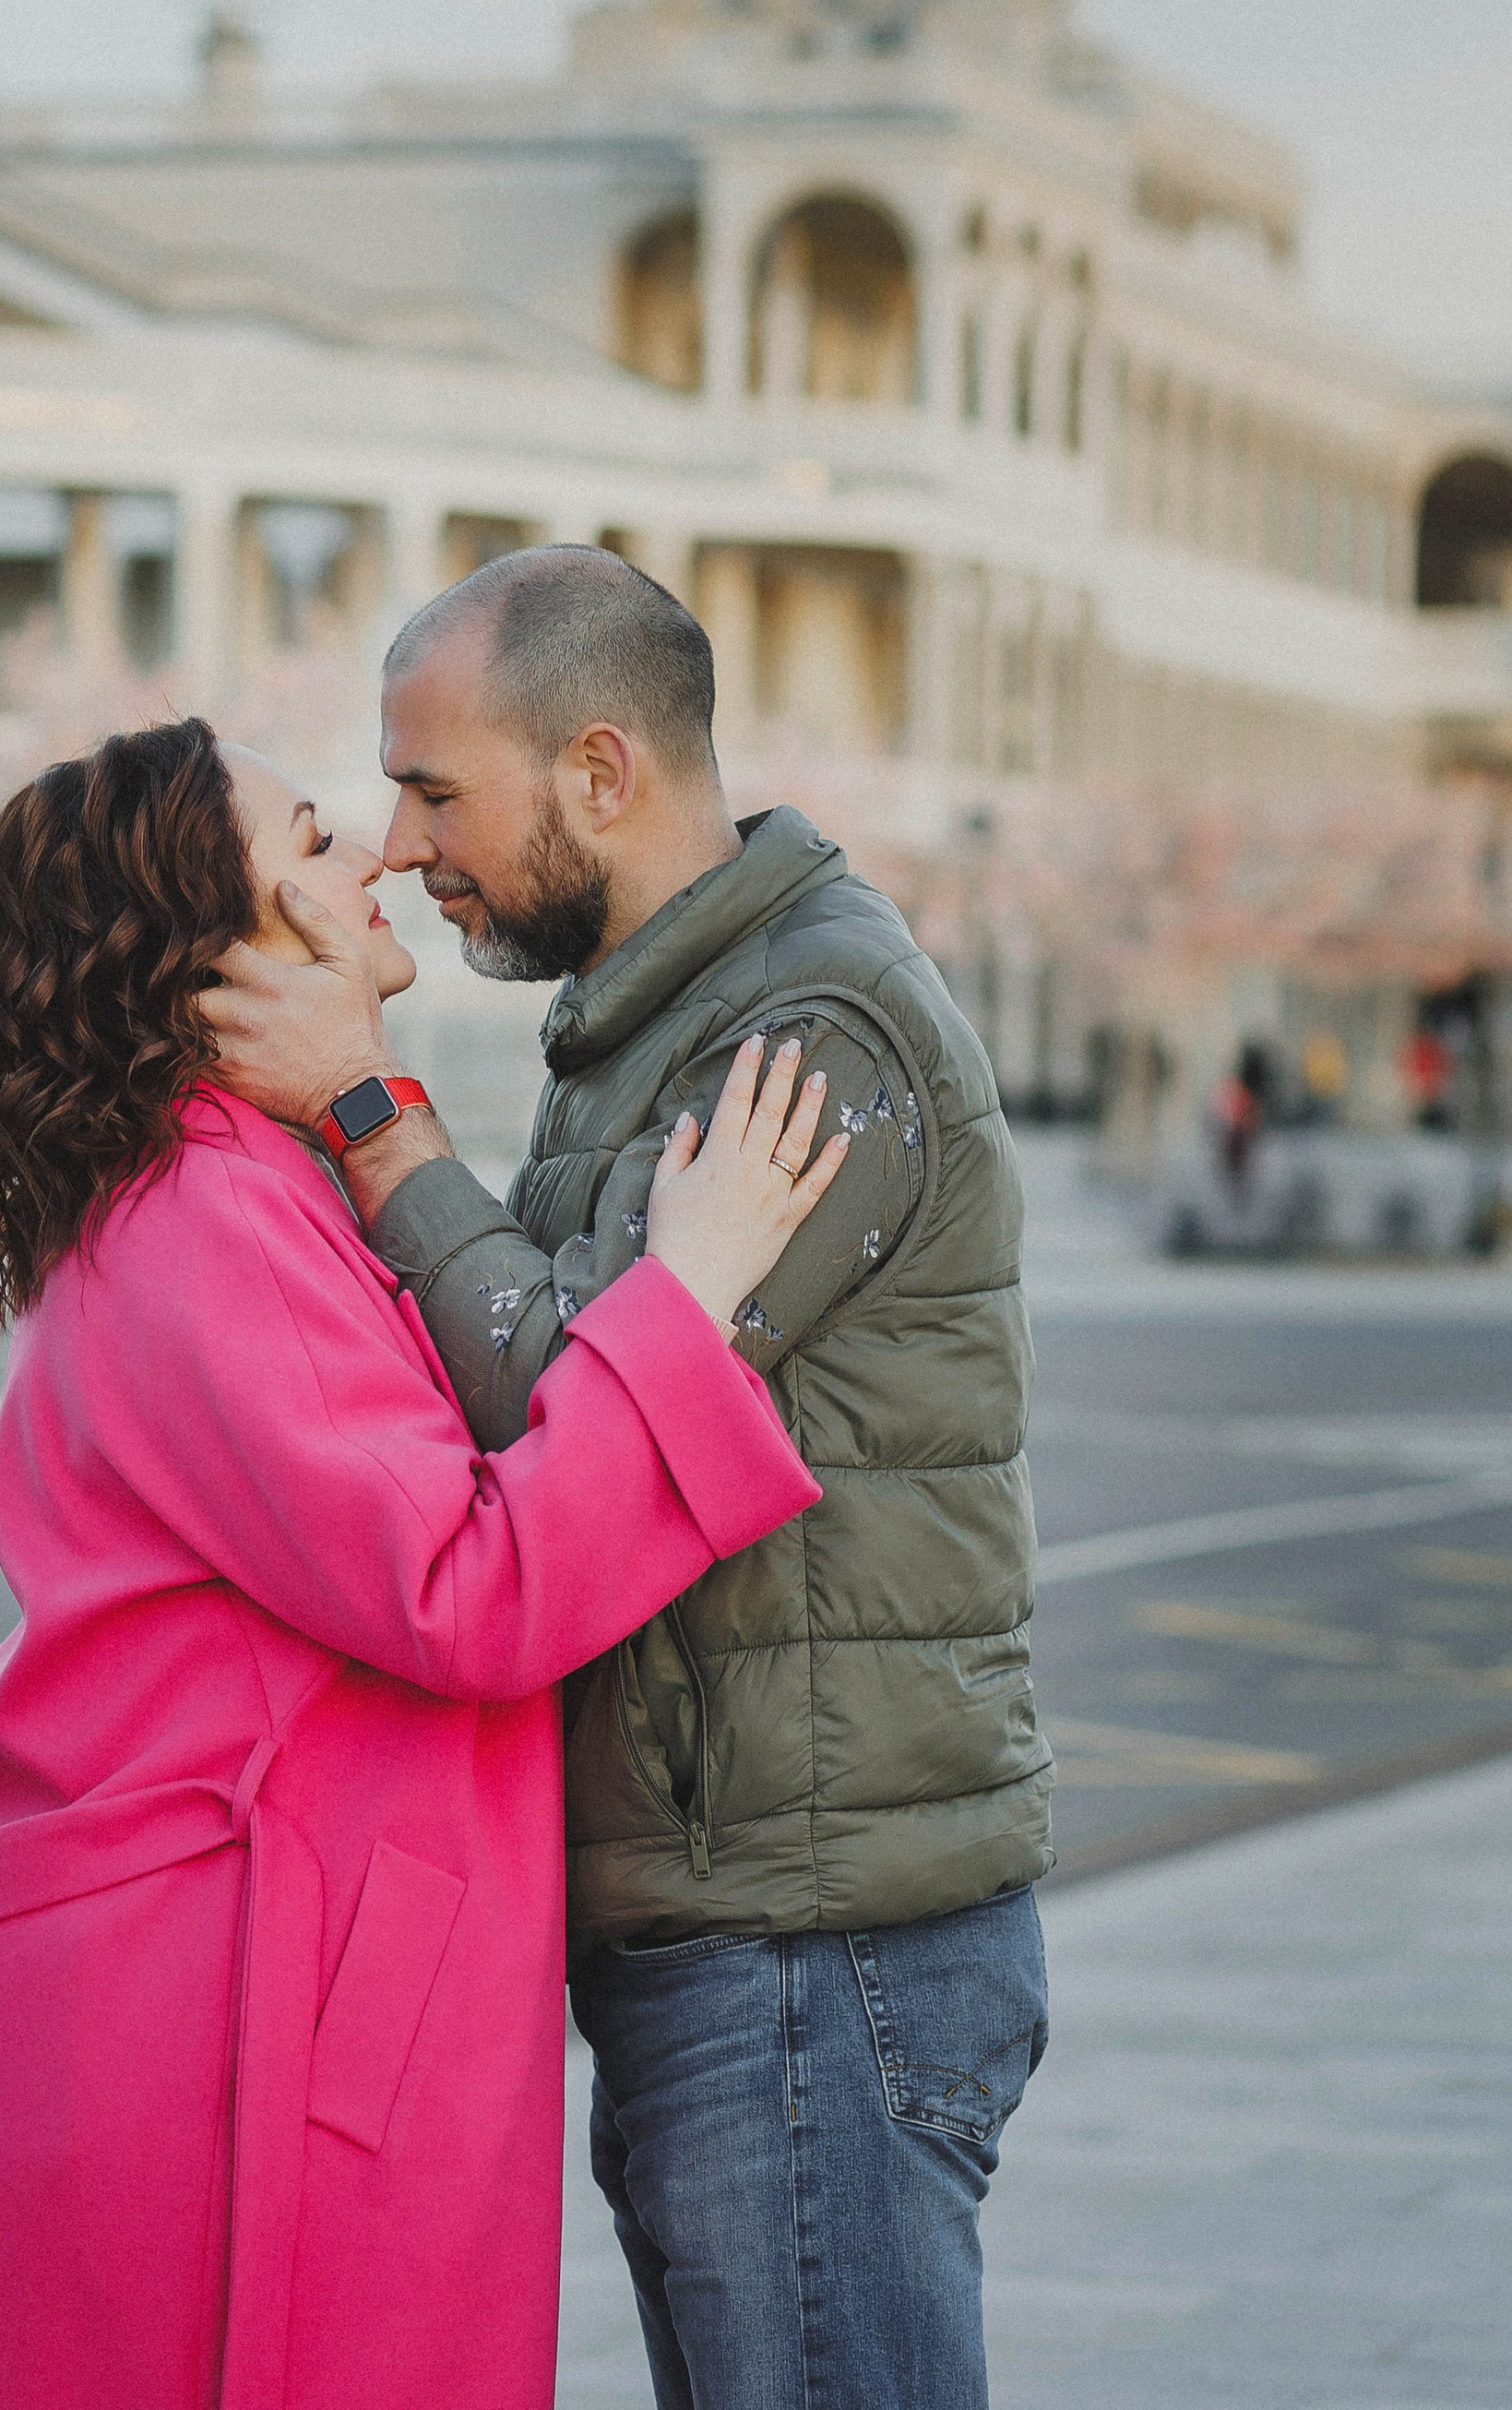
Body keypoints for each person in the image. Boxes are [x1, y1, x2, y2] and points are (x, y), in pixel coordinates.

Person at [0, 716, 836, 2410]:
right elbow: (471, 1587)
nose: (374, 852)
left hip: (249, 1981)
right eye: (311, 841)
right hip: (232, 2022)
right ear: (219, 961)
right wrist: (689, 1294)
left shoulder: (227, 1184)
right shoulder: (209, 1216)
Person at [203, 545, 1053, 2410]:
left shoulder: (808, 1037)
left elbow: (579, 1406)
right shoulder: (659, 1015)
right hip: (738, 1922)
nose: (404, 841)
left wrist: (368, 1116)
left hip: (812, 1940)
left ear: (598, 772)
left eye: (435, 790)